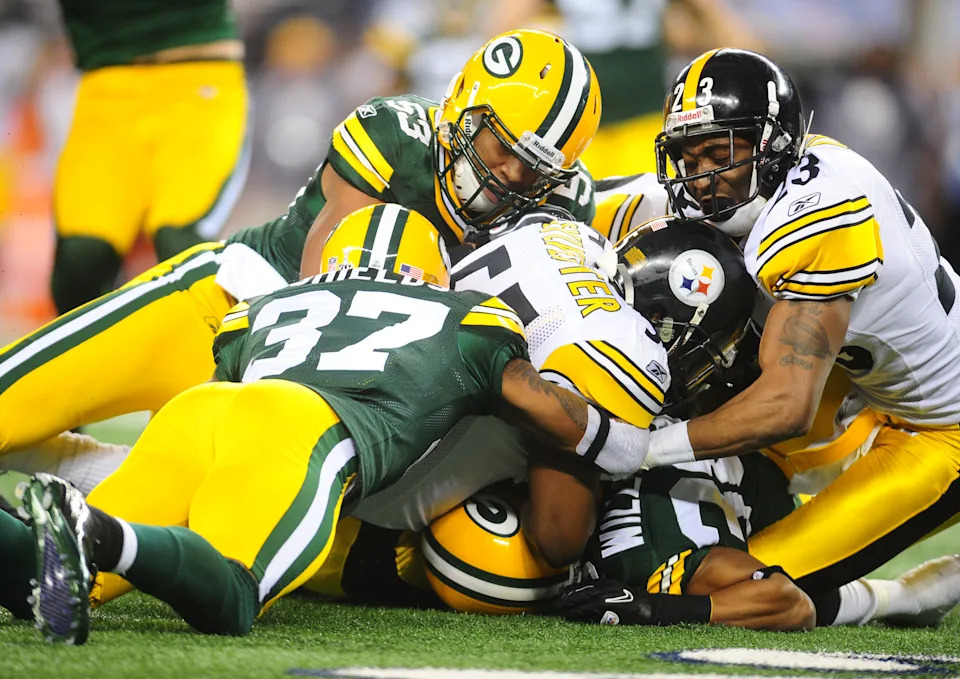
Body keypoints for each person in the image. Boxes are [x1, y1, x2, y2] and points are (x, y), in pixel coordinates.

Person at [6, 204, 652, 645]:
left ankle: (77, 533)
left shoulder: (262, 307)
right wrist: (634, 443)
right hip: (302, 430)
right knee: (233, 592)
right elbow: (557, 418)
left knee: (47, 578)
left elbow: (228, 382)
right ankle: (102, 533)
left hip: (200, 410)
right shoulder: (471, 319)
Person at [0, 29, 602, 469]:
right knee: (12, 404)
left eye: (535, 168)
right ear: (464, 107)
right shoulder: (396, 135)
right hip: (235, 303)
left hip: (350, 392)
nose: (511, 175)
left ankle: (82, 475)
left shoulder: (559, 206)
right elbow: (324, 295)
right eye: (502, 147)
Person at [637, 48, 960, 625]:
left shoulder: (817, 215)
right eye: (688, 156)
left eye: (720, 154)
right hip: (873, 380)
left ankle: (904, 598)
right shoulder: (796, 178)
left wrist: (640, 449)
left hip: (942, 433)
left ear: (772, 145)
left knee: (746, 582)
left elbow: (785, 407)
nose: (701, 177)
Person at [51, 0, 250, 312]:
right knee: (81, 257)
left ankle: (225, 340)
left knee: (182, 243)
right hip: (106, 95)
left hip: (197, 83)